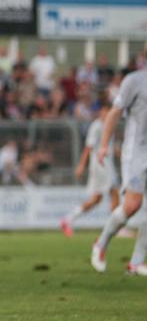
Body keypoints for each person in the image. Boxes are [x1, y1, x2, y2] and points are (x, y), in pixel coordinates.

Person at [96, 55, 147, 275]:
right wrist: (104, 144)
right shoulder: (134, 81)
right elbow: (115, 112)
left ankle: (135, 263)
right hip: (136, 153)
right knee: (132, 205)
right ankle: (101, 244)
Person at [60, 100, 119, 238]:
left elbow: (111, 147)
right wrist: (81, 165)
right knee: (114, 192)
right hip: (100, 165)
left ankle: (68, 219)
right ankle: (117, 228)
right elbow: (88, 147)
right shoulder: (97, 126)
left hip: (107, 164)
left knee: (97, 199)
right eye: (106, 110)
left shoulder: (109, 125)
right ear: (102, 111)